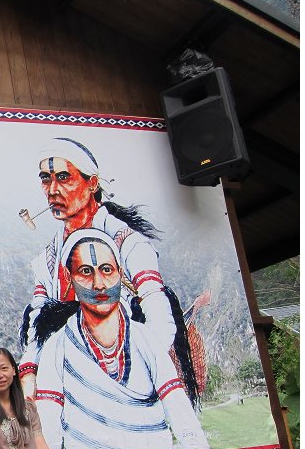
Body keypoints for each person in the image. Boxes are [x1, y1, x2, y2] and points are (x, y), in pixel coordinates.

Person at [18, 136, 184, 400]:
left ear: (92, 183)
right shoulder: (47, 260)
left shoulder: (129, 244)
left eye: (64, 177)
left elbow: (159, 317)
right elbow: (39, 320)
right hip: (66, 380)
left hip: (124, 376)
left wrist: (138, 375)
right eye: (46, 179)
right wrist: (30, 372)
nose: (52, 191)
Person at [33, 229, 210, 449]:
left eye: (107, 270)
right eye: (86, 271)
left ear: (120, 272)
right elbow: (49, 421)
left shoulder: (144, 338)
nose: (99, 284)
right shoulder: (57, 347)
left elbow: (177, 404)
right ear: (70, 277)